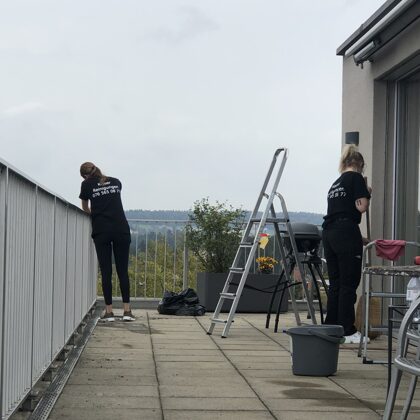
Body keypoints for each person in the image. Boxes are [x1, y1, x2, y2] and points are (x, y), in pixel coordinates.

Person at [322, 145, 371, 344]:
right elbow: (362, 207)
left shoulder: (335, 183)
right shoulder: (356, 178)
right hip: (346, 232)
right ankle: (348, 330)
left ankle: (331, 326)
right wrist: (367, 194)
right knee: (349, 283)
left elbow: (339, 210)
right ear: (359, 164)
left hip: (329, 232)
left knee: (335, 283)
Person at [79, 162, 135, 322]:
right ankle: (127, 311)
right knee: (122, 271)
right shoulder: (116, 181)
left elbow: (85, 207)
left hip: (101, 230)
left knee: (106, 272)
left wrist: (96, 215)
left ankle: (109, 312)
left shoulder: (86, 185)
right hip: (121, 229)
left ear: (84, 175)